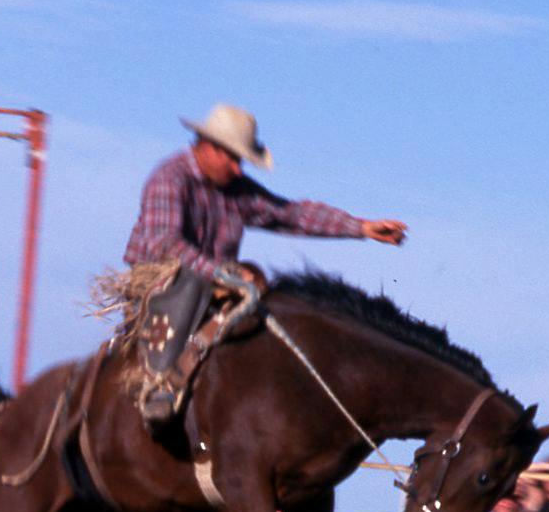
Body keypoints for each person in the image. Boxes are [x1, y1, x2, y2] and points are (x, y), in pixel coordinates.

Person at [123, 104, 407, 422]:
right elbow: (165, 245)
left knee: (266, 303)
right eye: (231, 157)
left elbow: (290, 214)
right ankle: (159, 384)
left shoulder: (236, 191)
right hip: (162, 289)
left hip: (214, 287)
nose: (237, 168)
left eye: (240, 159)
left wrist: (361, 228)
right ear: (208, 147)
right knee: (190, 282)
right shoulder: (170, 179)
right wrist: (221, 273)